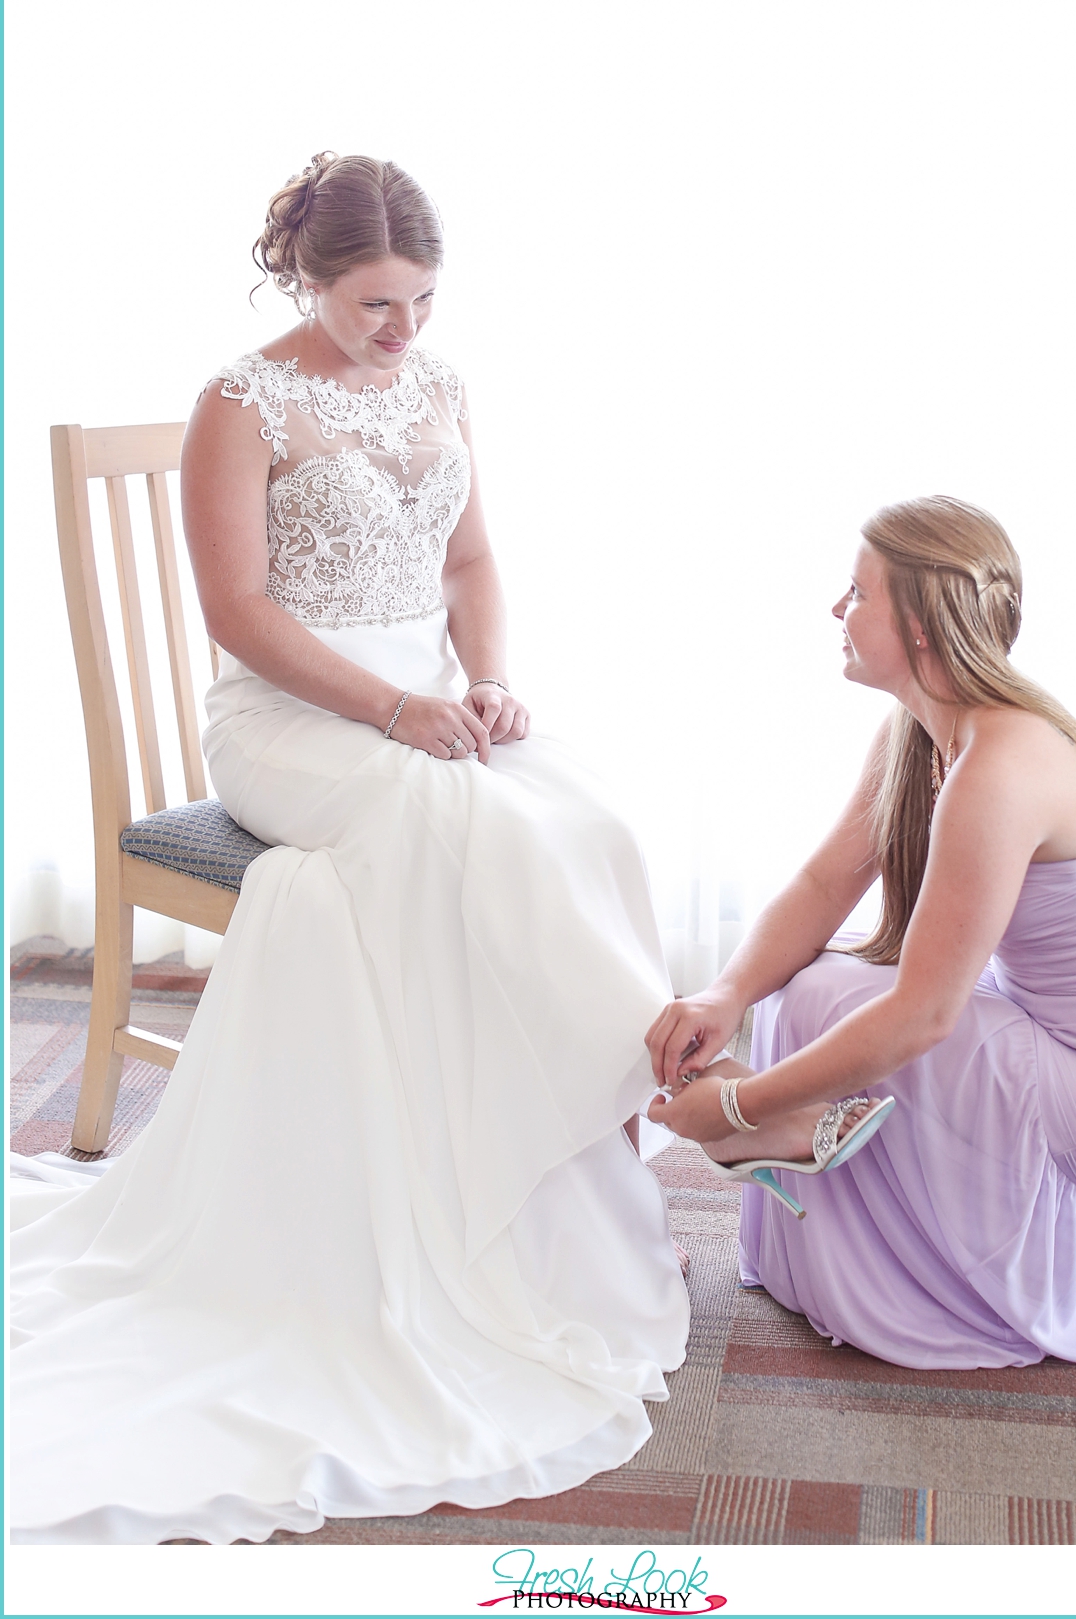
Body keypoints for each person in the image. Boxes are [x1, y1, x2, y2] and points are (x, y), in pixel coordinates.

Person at [10, 153, 688, 1545]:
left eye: (424, 299)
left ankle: (612, 1108)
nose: (405, 330)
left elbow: (471, 564)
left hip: (432, 701)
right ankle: (685, 1099)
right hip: (292, 720)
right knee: (465, 823)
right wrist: (393, 707)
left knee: (585, 812)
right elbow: (239, 609)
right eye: (377, 303)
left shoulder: (444, 387)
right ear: (306, 281)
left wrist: (488, 682)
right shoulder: (239, 402)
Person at [647, 496, 1076, 1370]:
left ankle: (796, 1132)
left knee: (861, 1026)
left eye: (856, 593)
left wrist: (749, 1100)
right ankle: (824, 1179)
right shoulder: (922, 731)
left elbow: (923, 1017)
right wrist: (725, 993)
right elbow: (827, 882)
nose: (837, 610)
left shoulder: (1000, 765)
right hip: (1061, 1037)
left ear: (922, 627)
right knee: (806, 989)